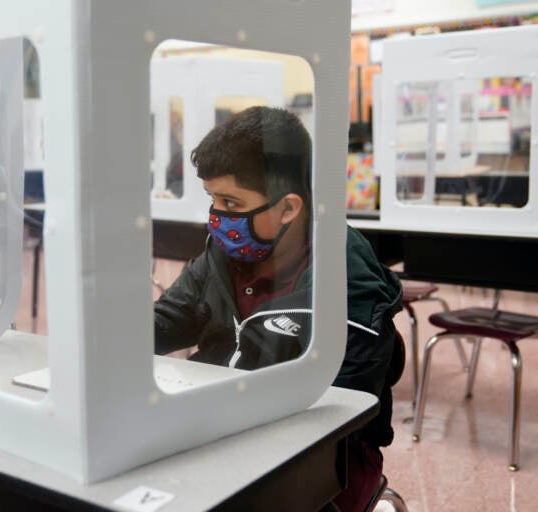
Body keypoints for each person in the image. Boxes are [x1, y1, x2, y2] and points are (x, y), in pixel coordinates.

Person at [154, 106, 402, 511]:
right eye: (212, 200)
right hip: (222, 437)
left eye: (231, 203)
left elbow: (341, 406)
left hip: (327, 466)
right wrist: (113, 340)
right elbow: (170, 319)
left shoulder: (345, 275)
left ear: (288, 208)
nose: (216, 218)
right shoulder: (221, 254)